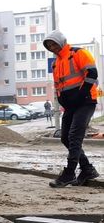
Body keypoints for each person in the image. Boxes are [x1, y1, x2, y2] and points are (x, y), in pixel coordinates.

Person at [43, 30, 100, 188]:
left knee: (74, 136)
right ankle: (87, 169)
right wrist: (61, 99)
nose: (52, 47)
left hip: (86, 101)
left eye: (54, 43)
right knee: (65, 138)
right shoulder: (56, 63)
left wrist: (81, 95)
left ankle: (69, 173)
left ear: (61, 41)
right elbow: (59, 85)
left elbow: (92, 73)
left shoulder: (78, 53)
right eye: (49, 46)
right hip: (70, 105)